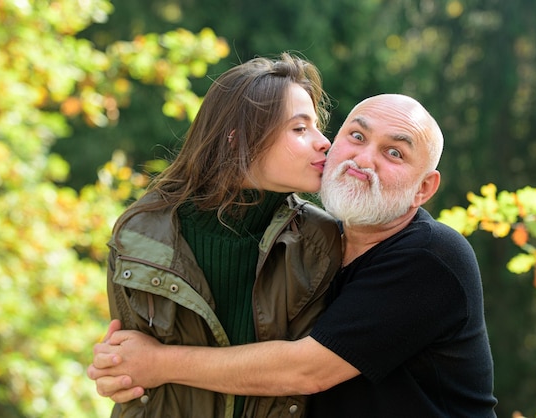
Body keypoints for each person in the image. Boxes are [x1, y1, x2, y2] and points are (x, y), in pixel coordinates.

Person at [89, 94, 498, 417]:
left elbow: (305, 370)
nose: (364, 158)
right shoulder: (309, 243)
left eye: (394, 153)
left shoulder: (431, 257)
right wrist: (124, 370)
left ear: (424, 189)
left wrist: (157, 364)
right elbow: (238, 352)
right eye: (357, 136)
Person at [96, 52, 343, 418]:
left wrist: (157, 362)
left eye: (316, 127)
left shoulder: (321, 241)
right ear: (237, 139)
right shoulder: (141, 233)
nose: (325, 142)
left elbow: (307, 372)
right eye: (300, 128)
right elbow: (128, 372)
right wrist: (115, 367)